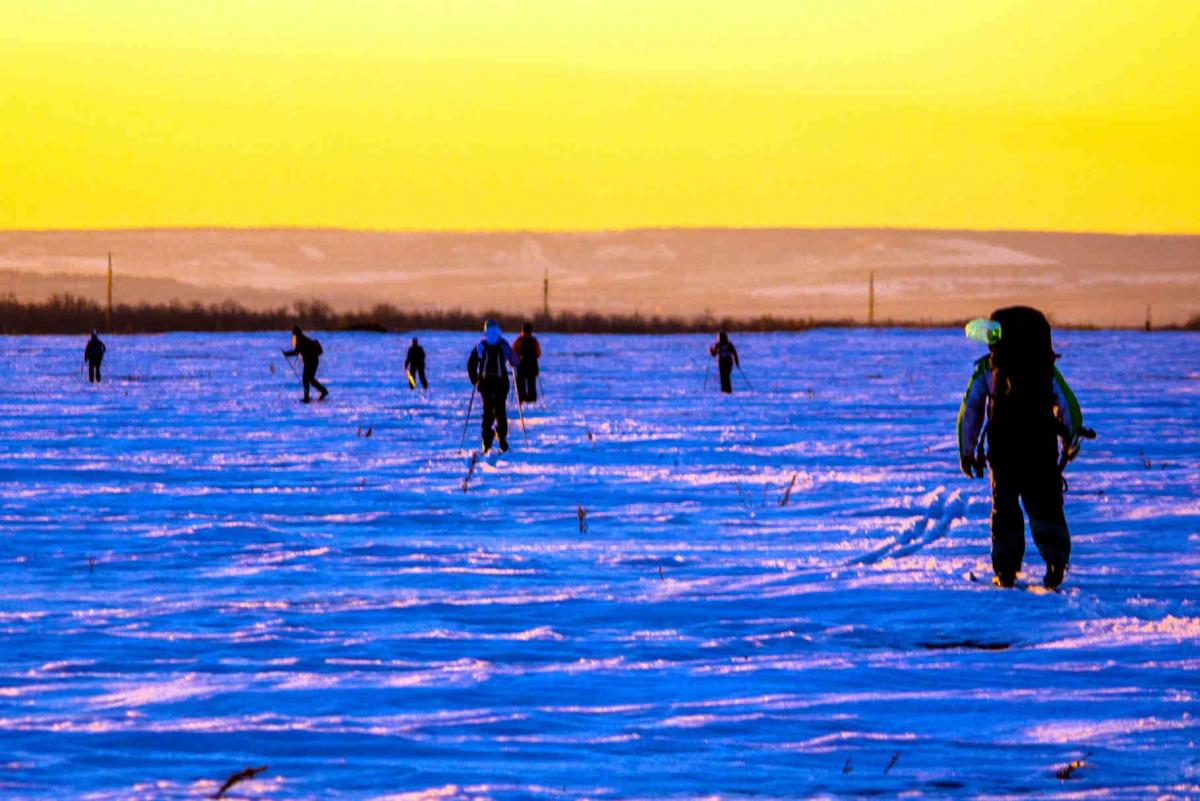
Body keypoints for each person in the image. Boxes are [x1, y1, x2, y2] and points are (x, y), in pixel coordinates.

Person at [957, 306, 1088, 589]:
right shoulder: (1045, 369)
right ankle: (1055, 562)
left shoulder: (988, 369)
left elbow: (971, 411)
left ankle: (1005, 569)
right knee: (1046, 506)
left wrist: (967, 452)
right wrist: (1071, 441)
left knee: (1004, 509)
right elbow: (1069, 407)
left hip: (1003, 452)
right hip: (1041, 450)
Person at [467, 319, 518, 453]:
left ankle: (487, 440)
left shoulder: (481, 345)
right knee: (500, 411)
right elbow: (514, 361)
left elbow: (471, 364)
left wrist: (475, 379)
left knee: (488, 411)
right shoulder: (503, 344)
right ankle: (501, 438)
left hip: (486, 384)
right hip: (500, 383)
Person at [282, 325, 328, 403]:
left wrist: (286, 354)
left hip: (310, 361)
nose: (292, 334)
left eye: (293, 332)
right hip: (313, 361)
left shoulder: (300, 339)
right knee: (310, 379)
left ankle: (307, 398)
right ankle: (322, 391)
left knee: (306, 380)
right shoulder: (303, 338)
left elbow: (296, 352)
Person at [512, 322, 542, 403]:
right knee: (531, 384)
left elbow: (514, 352)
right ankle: (531, 400)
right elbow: (538, 353)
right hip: (532, 366)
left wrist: (515, 361)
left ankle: (522, 400)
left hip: (522, 366)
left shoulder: (519, 340)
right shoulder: (534, 341)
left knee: (521, 384)